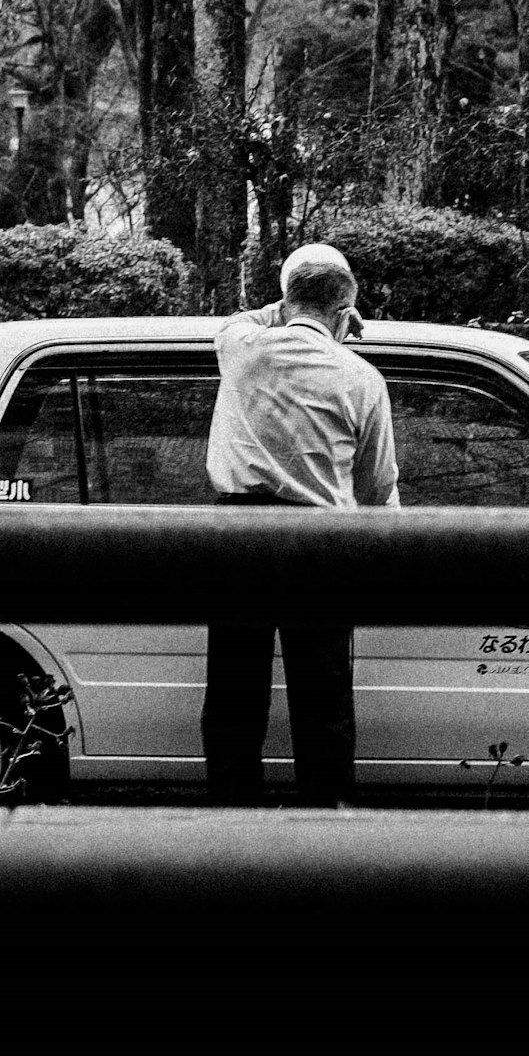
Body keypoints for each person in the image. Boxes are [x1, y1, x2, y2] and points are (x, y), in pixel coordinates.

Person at [200, 241, 399, 805]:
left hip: (238, 535)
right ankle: (324, 832)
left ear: (286, 303)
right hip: (321, 543)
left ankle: (233, 822)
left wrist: (293, 307)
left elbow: (245, 319)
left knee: (234, 696)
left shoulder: (241, 348)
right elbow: (376, 487)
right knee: (325, 699)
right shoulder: (362, 379)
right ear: (346, 313)